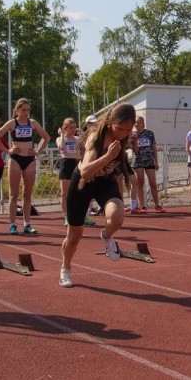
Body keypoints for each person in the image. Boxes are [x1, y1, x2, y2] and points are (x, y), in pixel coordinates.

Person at [59, 103, 136, 287]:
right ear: (110, 122)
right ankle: (66, 268)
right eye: (120, 129)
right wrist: (108, 157)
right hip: (83, 183)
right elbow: (85, 171)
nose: (124, 134)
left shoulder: (125, 135)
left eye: (128, 130)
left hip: (105, 182)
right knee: (74, 236)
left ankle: (106, 235)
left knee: (117, 218)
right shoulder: (96, 137)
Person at [0, 98, 50, 234]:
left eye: (28, 110)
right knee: (13, 194)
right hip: (15, 159)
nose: (26, 112)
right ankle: (12, 224)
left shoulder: (33, 123)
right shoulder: (12, 123)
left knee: (27, 194)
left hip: (29, 159)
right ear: (17, 110)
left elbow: (46, 137)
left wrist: (38, 151)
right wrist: (7, 151)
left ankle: (27, 224)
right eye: (23, 110)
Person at [57, 118, 96, 226]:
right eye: (71, 127)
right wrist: (62, 135)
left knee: (82, 192)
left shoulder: (78, 139)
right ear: (65, 128)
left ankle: (84, 216)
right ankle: (66, 217)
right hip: (66, 165)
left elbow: (89, 144)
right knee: (65, 194)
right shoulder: (60, 139)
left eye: (75, 127)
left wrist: (82, 133)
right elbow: (62, 147)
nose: (73, 129)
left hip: (77, 164)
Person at [132, 116, 166, 212]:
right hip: (138, 161)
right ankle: (143, 206)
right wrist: (135, 140)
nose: (136, 124)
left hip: (149, 161)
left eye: (138, 122)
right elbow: (135, 151)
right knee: (140, 183)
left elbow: (154, 147)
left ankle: (157, 205)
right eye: (135, 123)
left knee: (152, 183)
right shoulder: (133, 135)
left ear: (143, 124)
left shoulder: (150, 133)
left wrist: (156, 161)